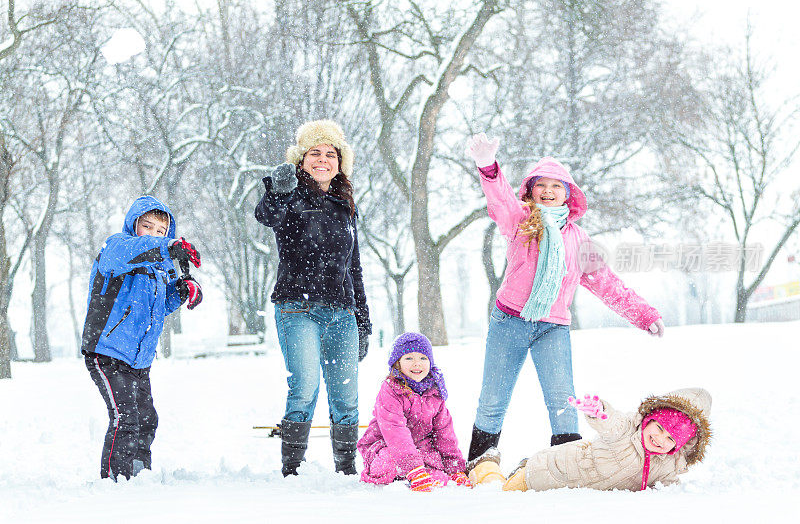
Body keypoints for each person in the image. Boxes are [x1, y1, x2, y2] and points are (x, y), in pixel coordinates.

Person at [464, 133, 665, 461]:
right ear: (531, 191)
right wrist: (487, 165)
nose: (548, 191)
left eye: (557, 186)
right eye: (541, 185)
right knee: (493, 399)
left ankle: (567, 463)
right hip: (509, 321)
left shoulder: (578, 238)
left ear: (567, 195)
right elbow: (500, 199)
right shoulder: (520, 221)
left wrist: (644, 314)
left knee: (562, 399)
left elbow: (606, 283)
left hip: (552, 328)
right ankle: (478, 463)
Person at [254, 120, 372, 476]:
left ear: (341, 161)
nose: (323, 160)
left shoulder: (345, 204)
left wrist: (363, 318)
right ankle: (292, 469)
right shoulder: (290, 194)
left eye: (331, 154)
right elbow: (266, 216)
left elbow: (354, 267)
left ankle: (346, 468)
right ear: (302, 160)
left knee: (346, 397)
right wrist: (279, 190)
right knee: (304, 387)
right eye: (315, 153)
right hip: (297, 308)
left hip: (341, 314)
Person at [82, 195, 203, 480]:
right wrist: (168, 245)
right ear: (133, 224)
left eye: (161, 231)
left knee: (147, 420)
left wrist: (182, 290)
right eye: (146, 226)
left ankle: (139, 475)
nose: (153, 234)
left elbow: (159, 308)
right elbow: (140, 248)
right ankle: (116, 480)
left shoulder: (159, 270)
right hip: (107, 352)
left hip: (138, 360)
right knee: (125, 418)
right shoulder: (117, 248)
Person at [468, 388, 712, 492]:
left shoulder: (669, 464)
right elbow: (611, 422)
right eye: (659, 427)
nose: (659, 438)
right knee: (499, 492)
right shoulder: (626, 430)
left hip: (572, 486)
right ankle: (486, 464)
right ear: (648, 419)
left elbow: (667, 489)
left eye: (671, 438)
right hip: (548, 470)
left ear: (679, 446)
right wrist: (599, 412)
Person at [357, 332, 471, 491]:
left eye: (423, 358)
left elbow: (444, 433)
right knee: (386, 464)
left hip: (421, 450)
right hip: (385, 446)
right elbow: (395, 431)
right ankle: (406, 473)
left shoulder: (435, 393)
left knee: (440, 479)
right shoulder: (391, 390)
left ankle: (412, 473)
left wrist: (455, 469)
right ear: (397, 363)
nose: (417, 364)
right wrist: (414, 467)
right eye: (409, 358)